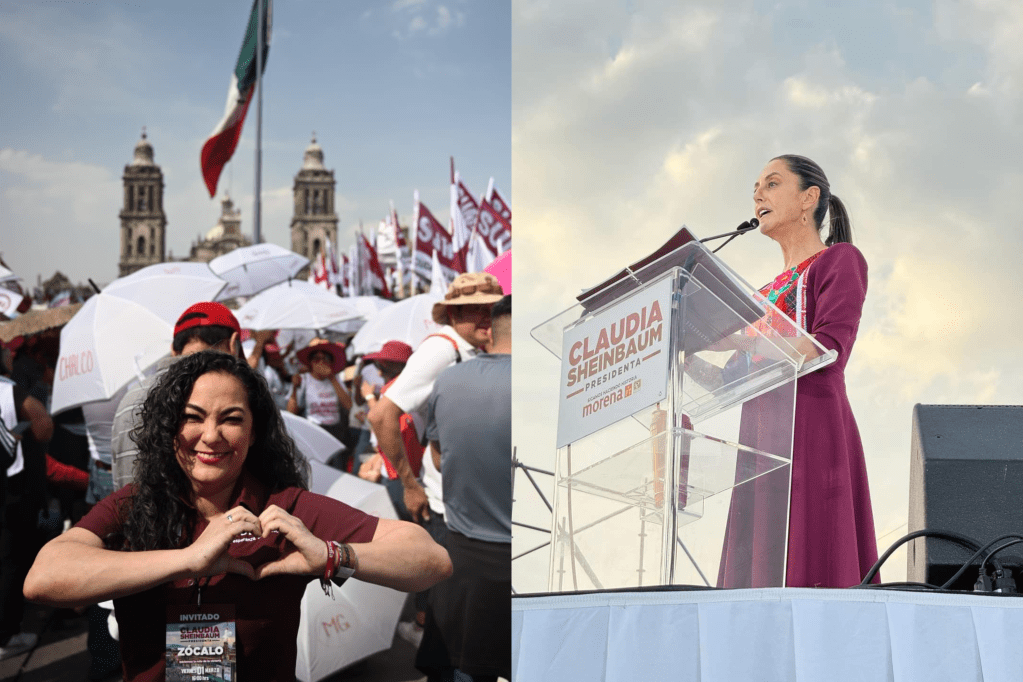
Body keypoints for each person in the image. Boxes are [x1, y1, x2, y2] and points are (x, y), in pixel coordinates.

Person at [23, 351, 452, 680]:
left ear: (253, 432)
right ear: (168, 427)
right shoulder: (136, 504)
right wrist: (190, 558)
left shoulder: (285, 508)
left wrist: (331, 556)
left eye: (231, 420)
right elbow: (44, 579)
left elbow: (431, 560)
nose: (210, 437)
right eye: (192, 418)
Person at [718, 154, 878, 588]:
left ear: (809, 198)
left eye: (771, 183)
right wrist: (680, 346)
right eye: (755, 187)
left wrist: (736, 338)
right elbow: (726, 380)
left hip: (811, 425)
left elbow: (826, 348)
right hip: (760, 436)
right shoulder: (761, 295)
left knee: (815, 556)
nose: (757, 194)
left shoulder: (839, 260)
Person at [418, 295, 512, 682]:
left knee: (464, 671)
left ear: (492, 328)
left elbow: (439, 459)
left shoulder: (449, 379)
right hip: (519, 564)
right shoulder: (545, 382)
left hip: (462, 560)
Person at [110, 301, 243, 491]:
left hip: (127, 515)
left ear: (174, 349)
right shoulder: (234, 396)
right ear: (233, 345)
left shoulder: (130, 398)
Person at [287, 338, 353, 470]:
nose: (321, 362)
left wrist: (332, 378)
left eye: (326, 359)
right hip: (313, 431)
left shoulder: (337, 380)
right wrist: (294, 388)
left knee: (337, 469)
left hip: (335, 433)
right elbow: (291, 412)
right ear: (310, 363)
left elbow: (349, 406)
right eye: (316, 358)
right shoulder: (304, 380)